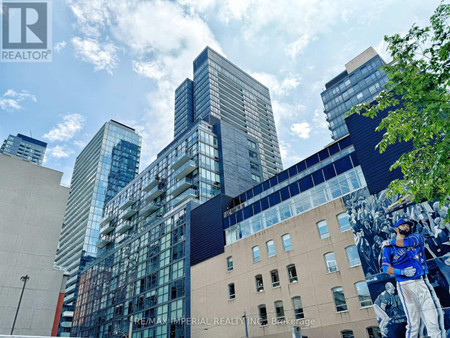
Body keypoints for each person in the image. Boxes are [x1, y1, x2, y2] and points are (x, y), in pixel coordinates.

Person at [381, 217, 443, 338]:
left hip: (421, 282)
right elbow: (386, 268)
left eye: (408, 225)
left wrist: (390, 241)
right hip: (405, 285)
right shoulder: (388, 248)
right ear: (396, 228)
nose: (407, 227)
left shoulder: (416, 237)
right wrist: (401, 271)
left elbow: (407, 243)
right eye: (403, 225)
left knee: (433, 321)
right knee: (414, 323)